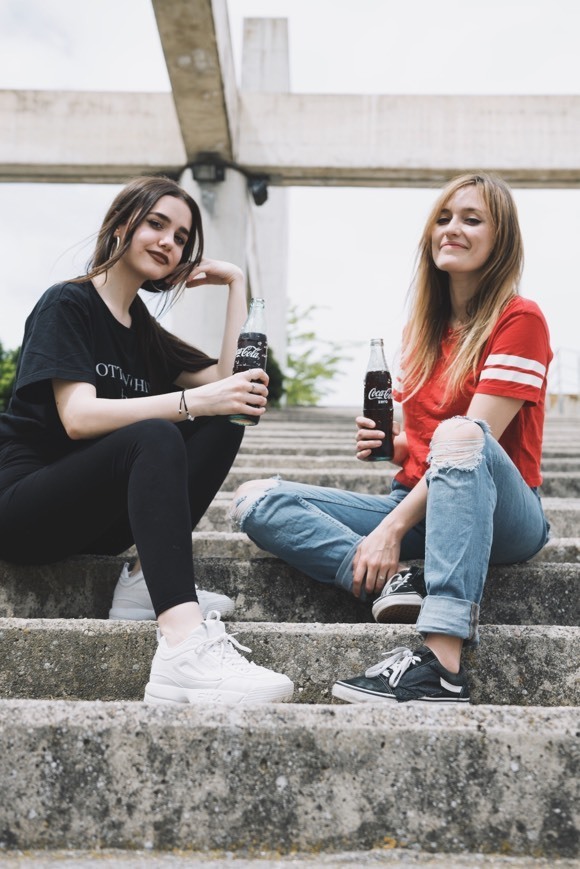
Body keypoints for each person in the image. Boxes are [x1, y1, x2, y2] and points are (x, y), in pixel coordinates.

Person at [231, 172, 551, 705]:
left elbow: (474, 437)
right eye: (443, 219)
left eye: (472, 220)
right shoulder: (420, 331)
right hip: (422, 501)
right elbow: (433, 442)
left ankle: (442, 668)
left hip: (503, 515)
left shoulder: (521, 319)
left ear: (502, 241)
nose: (452, 229)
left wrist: (391, 527)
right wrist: (402, 447)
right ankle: (398, 582)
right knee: (253, 499)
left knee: (462, 435)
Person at [0, 175, 293, 706]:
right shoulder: (68, 304)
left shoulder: (144, 332)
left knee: (227, 415)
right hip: (23, 510)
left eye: (181, 236)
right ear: (121, 226)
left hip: (92, 521)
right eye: (156, 224)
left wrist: (236, 285)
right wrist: (190, 403)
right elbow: (77, 417)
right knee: (158, 433)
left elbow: (233, 385)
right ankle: (182, 646)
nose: (168, 242)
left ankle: (142, 582)